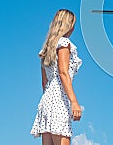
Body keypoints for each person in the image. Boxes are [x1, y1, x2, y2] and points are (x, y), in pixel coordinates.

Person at [30, 9, 83, 145]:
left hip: (47, 101)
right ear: (68, 25)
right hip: (60, 100)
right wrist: (74, 101)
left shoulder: (46, 49)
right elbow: (63, 73)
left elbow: (44, 82)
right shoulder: (64, 44)